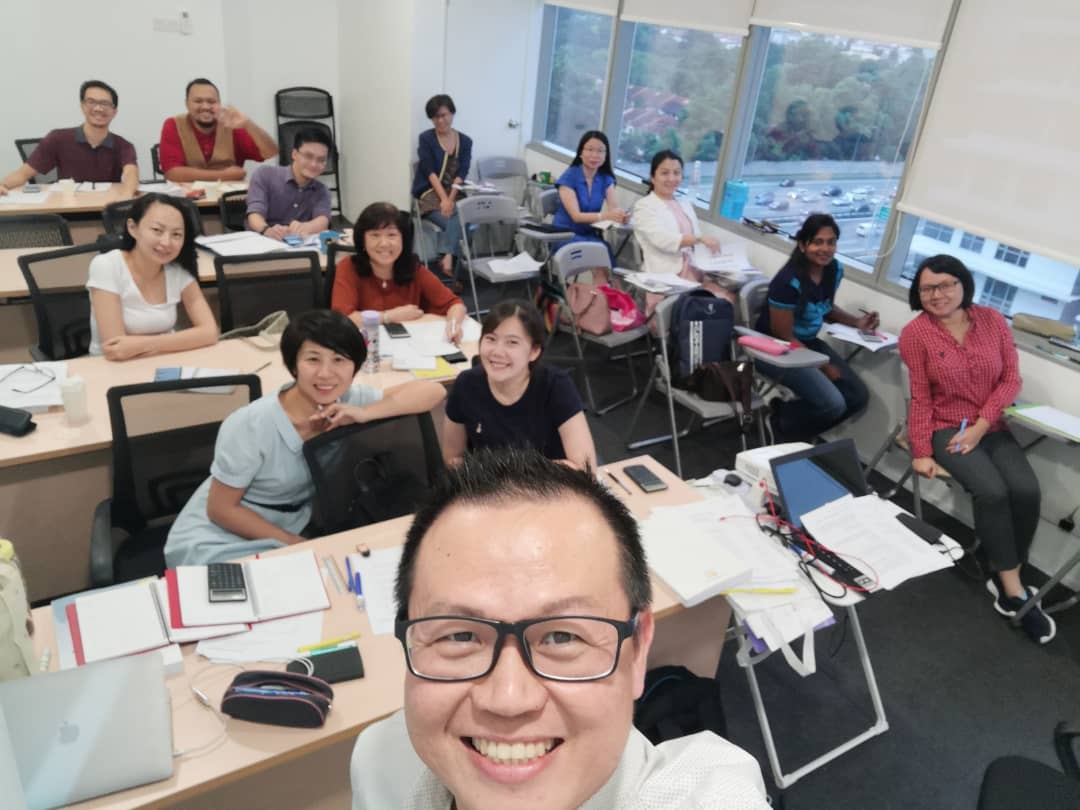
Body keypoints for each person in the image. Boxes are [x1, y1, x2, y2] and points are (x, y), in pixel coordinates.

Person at [349, 448, 770, 809]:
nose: (508, 699)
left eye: (562, 636)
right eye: (460, 635)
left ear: (638, 650)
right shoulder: (379, 763)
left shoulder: (706, 796)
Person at [164, 310, 446, 566]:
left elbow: (433, 392)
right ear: (294, 366)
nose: (325, 374)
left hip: (289, 524)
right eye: (313, 359)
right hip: (217, 537)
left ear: (355, 367)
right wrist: (295, 544)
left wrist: (365, 413)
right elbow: (221, 509)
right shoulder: (249, 425)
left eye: (339, 360)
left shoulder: (347, 400)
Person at [898, 255, 1052, 645]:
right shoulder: (915, 334)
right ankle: (1013, 589)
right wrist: (921, 450)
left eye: (945, 285)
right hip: (947, 427)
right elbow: (921, 396)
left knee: (1026, 490)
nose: (937, 295)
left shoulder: (993, 320)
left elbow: (1011, 379)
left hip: (991, 425)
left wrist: (982, 426)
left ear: (963, 284)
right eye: (927, 288)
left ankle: (1002, 565)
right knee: (993, 492)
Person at [754, 214, 873, 442]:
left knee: (857, 397)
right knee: (833, 404)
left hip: (807, 343)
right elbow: (782, 333)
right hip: (776, 348)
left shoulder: (833, 269)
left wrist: (857, 322)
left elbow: (824, 307)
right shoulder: (788, 281)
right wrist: (823, 366)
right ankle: (781, 426)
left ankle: (785, 422)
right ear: (802, 245)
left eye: (831, 242)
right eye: (818, 242)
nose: (825, 249)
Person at [442, 300, 596, 470]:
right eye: (491, 339)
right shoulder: (466, 385)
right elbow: (452, 458)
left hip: (549, 483)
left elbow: (584, 468)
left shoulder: (556, 386)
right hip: (490, 483)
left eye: (512, 342)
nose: (497, 352)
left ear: (534, 352)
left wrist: (511, 476)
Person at [86, 193, 218, 360]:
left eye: (176, 234)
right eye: (157, 230)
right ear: (133, 228)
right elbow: (116, 349)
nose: (166, 242)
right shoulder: (107, 265)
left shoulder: (177, 270)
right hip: (112, 367)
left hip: (163, 360)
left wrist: (145, 345)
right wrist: (175, 341)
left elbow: (209, 332)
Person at [331, 202, 467, 343]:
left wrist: (453, 326)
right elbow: (342, 318)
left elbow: (455, 304)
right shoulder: (349, 267)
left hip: (408, 347)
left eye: (391, 235)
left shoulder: (413, 268)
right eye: (375, 235)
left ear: (403, 239)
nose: (384, 243)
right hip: (365, 348)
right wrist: (388, 317)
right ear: (362, 240)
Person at [631, 149, 736, 310]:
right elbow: (662, 240)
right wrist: (699, 239)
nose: (671, 178)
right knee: (700, 309)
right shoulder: (644, 206)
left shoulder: (684, 204)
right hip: (667, 277)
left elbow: (696, 240)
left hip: (695, 272)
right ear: (653, 177)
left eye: (677, 173)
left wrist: (717, 254)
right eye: (665, 173)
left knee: (727, 300)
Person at [0, 80, 138, 197]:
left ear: (114, 112)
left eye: (105, 104)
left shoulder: (124, 145)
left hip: (105, 211)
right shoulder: (57, 139)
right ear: (82, 106)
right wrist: (3, 185)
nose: (98, 108)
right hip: (66, 211)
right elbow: (22, 174)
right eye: (91, 102)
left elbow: (131, 174)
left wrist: (127, 195)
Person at [158, 78, 278, 182]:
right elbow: (172, 173)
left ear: (219, 104)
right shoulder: (174, 125)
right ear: (187, 104)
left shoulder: (231, 125)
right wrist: (225, 175)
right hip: (188, 199)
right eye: (198, 101)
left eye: (211, 101)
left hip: (229, 199)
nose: (205, 107)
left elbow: (271, 152)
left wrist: (248, 124)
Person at [411, 94, 472, 279]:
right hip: (430, 193)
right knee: (461, 222)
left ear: (452, 113)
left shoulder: (465, 141)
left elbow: (462, 172)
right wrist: (444, 200)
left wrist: (450, 198)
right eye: (435, 117)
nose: (440, 120)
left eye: (443, 115)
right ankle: (453, 271)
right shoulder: (426, 138)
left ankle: (447, 257)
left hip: (455, 192)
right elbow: (429, 171)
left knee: (466, 216)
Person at [245, 127, 333, 240]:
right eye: (308, 156)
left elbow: (323, 220)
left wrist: (306, 227)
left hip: (298, 245)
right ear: (294, 154)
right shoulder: (264, 174)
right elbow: (254, 213)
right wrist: (267, 230)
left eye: (321, 160)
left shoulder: (322, 190)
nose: (314, 164)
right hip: (261, 241)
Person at [551, 130, 628, 250]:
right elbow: (576, 217)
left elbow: (613, 209)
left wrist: (620, 215)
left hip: (590, 235)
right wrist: (607, 216)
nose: (595, 155)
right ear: (581, 152)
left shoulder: (606, 178)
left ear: (606, 155)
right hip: (564, 234)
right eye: (590, 149)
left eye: (600, 151)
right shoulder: (569, 177)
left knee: (604, 255)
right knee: (592, 256)